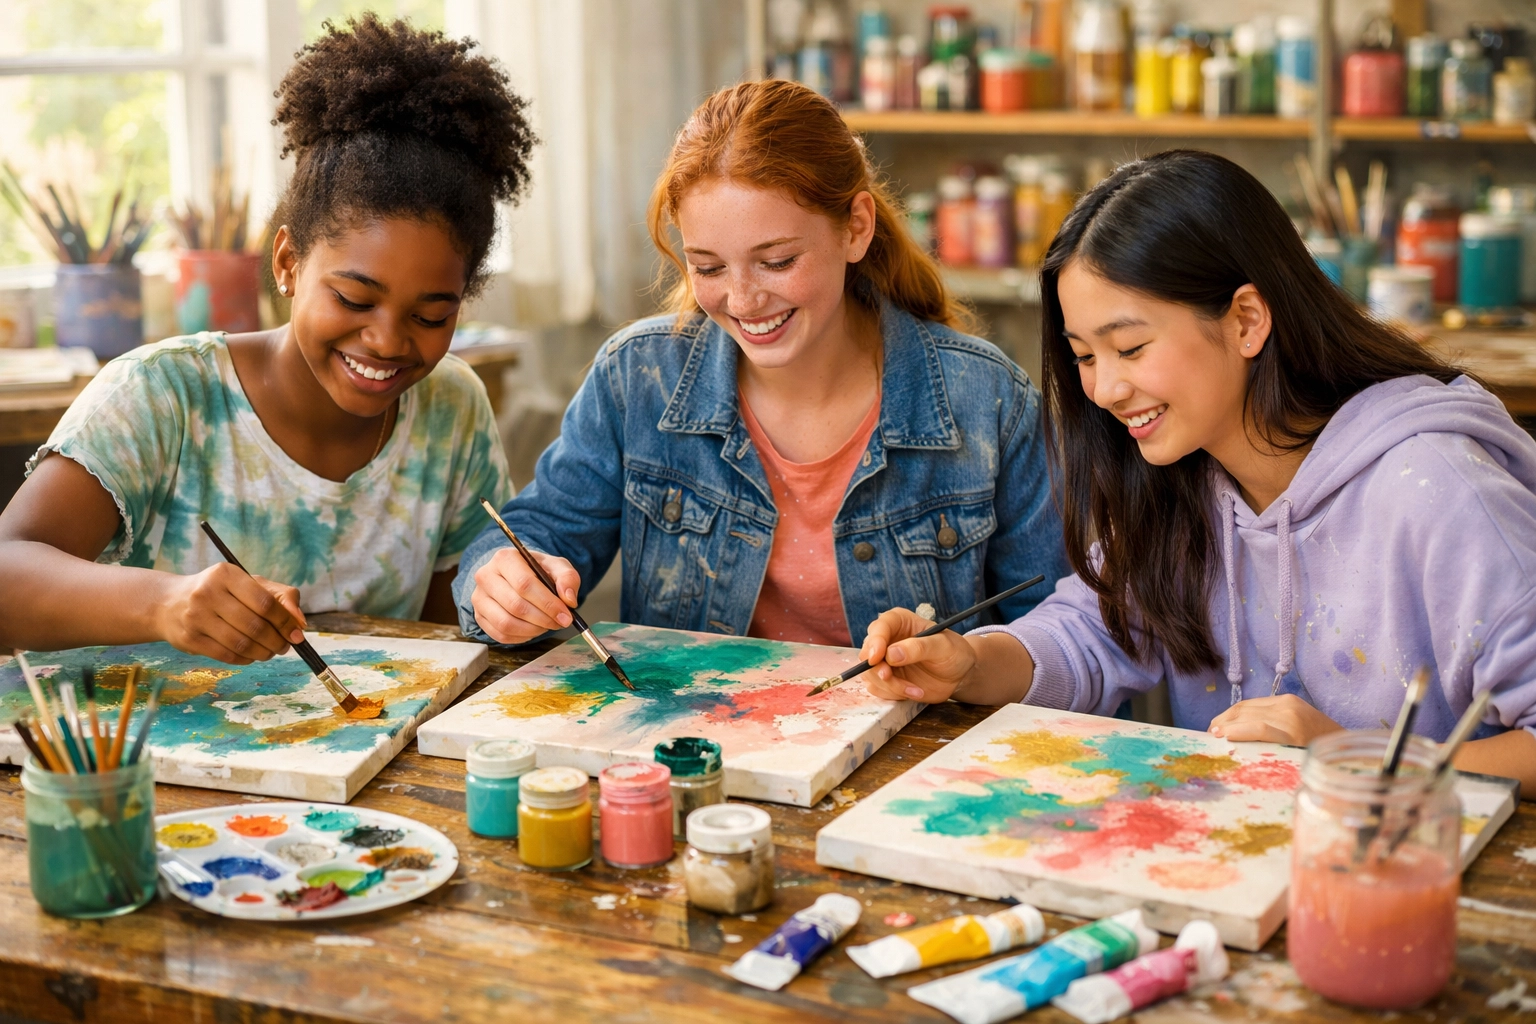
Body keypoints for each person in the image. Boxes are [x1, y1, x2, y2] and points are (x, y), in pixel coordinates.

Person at [860, 149, 1536, 793]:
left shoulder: (1436, 487)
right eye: (1085, 357)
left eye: (1130, 347)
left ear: (1246, 320)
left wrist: (1351, 759)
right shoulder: (1185, 472)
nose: (1104, 391)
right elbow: (1091, 631)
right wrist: (969, 663)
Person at [457, 79, 1068, 649]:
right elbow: (531, 533)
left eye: (776, 262)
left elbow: (1060, 630)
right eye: (710, 267)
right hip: (694, 750)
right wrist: (503, 584)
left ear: (855, 228)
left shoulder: (987, 399)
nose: (744, 301)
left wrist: (981, 664)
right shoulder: (634, 378)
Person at [0, 15, 532, 663]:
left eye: (431, 316)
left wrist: (511, 601)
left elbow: (447, 652)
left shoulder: (452, 408)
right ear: (287, 263)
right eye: (354, 298)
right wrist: (163, 603)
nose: (388, 341)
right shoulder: (161, 396)